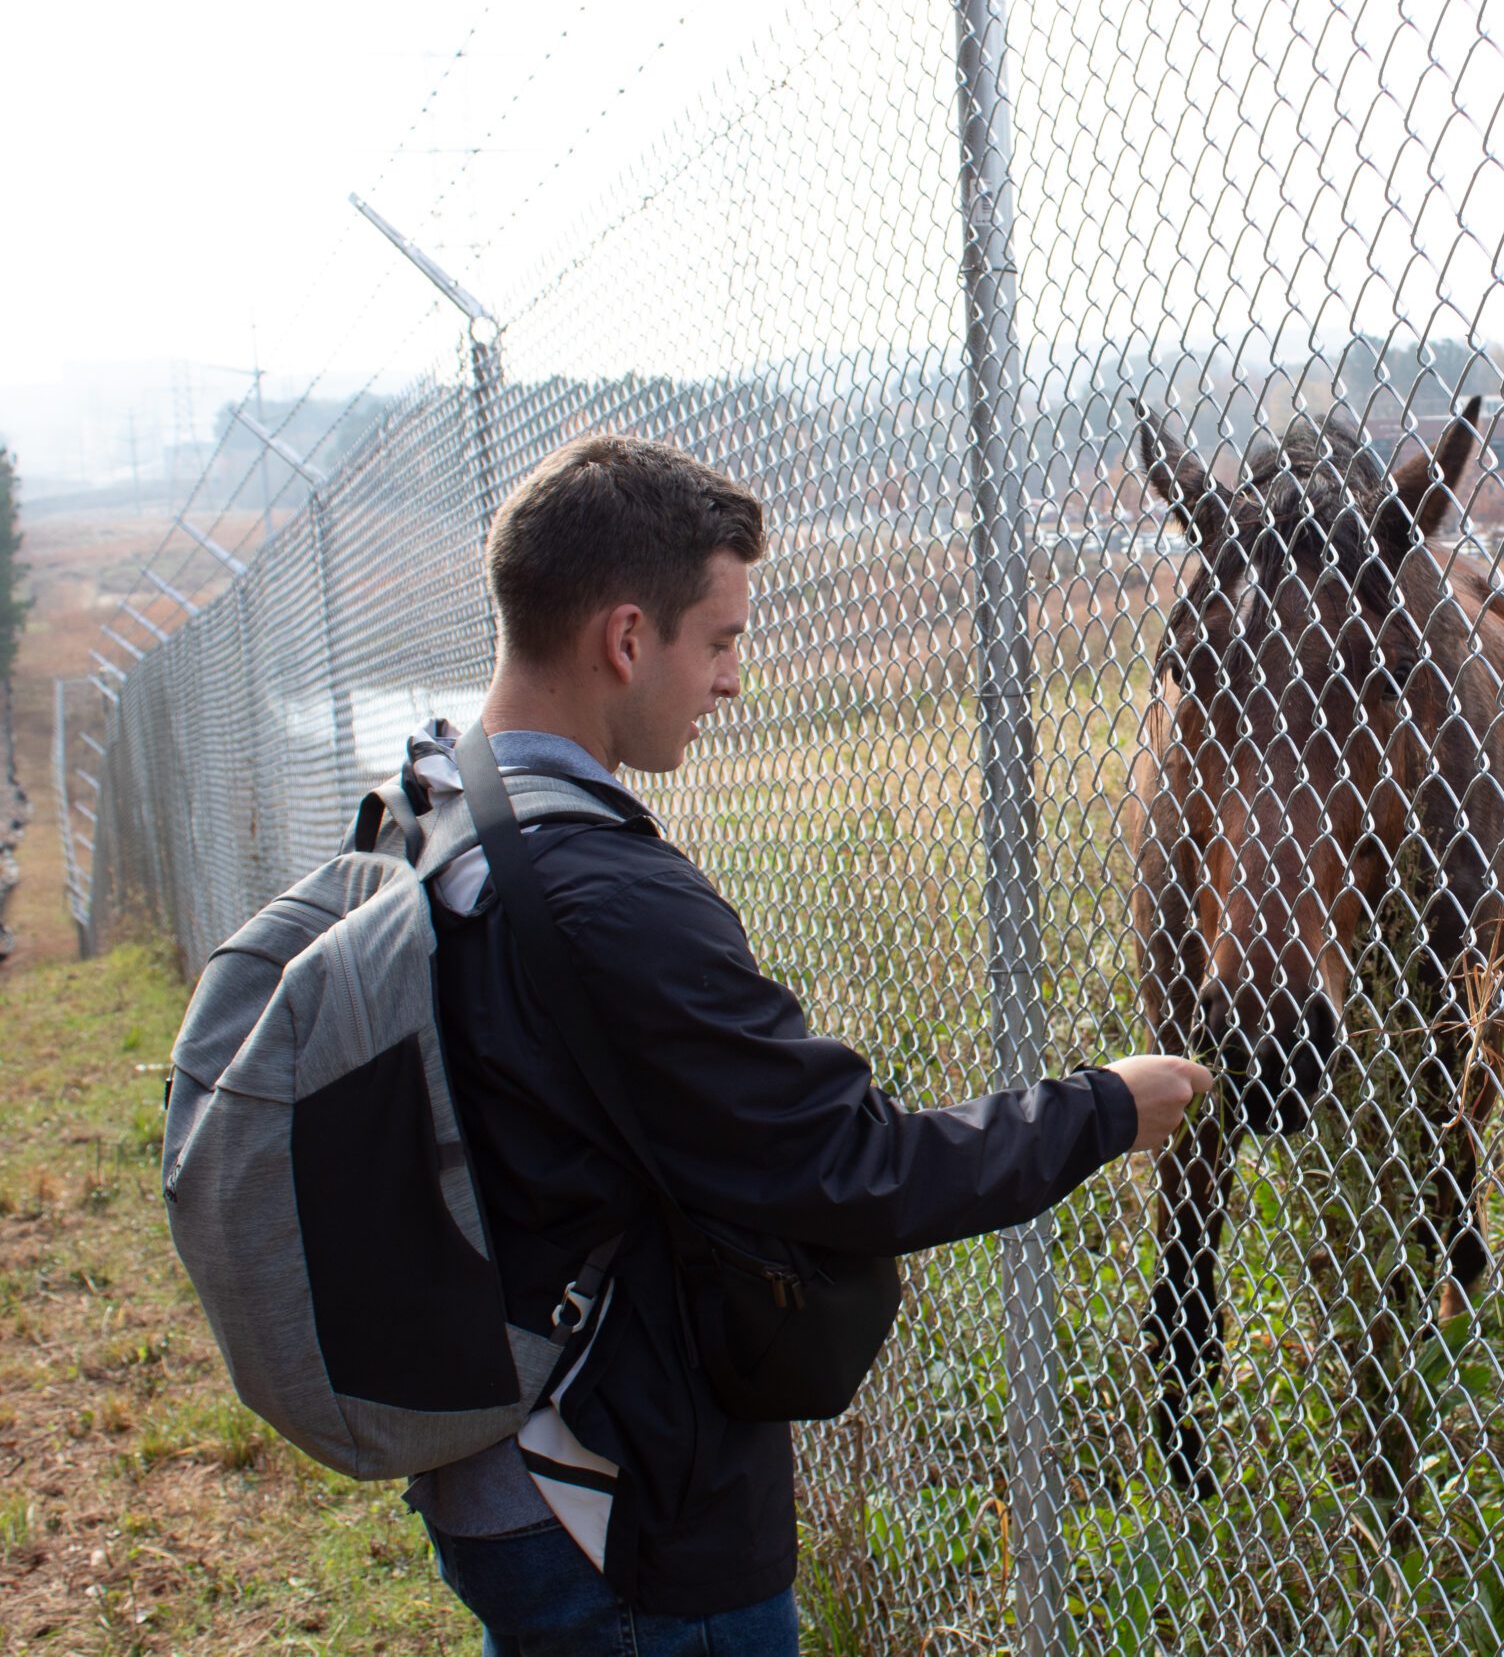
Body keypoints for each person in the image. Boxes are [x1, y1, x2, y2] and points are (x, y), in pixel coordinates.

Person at [398, 434, 1204, 1654]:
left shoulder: (447, 809)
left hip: (503, 1472)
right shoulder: (601, 899)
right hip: (626, 1518)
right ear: (626, 640)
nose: (730, 680)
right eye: (718, 642)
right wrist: (1104, 1110)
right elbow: (852, 1169)